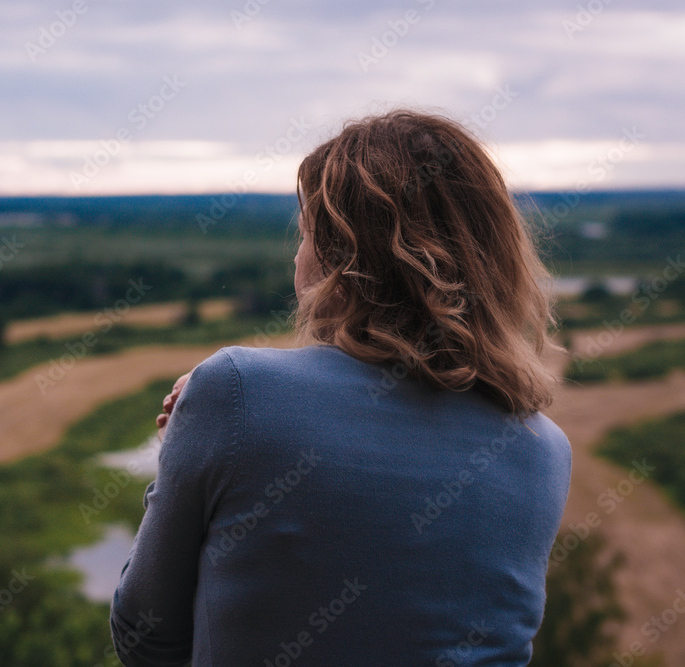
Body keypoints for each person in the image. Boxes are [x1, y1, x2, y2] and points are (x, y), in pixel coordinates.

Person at [110, 109, 571, 666]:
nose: (295, 256)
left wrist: (197, 437)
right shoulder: (545, 451)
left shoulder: (235, 392)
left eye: (306, 234)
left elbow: (145, 633)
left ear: (341, 257)